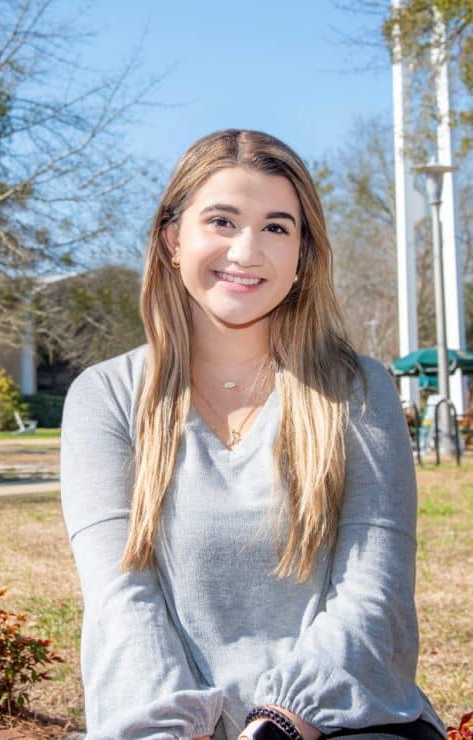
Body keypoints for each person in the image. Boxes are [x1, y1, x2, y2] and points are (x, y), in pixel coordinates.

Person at [60, 129, 445, 740]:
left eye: (275, 227)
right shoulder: (104, 397)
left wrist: (282, 722)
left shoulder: (358, 390)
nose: (246, 251)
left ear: (301, 258)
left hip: (339, 726)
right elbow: (121, 604)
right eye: (221, 220)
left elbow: (375, 593)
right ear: (171, 240)